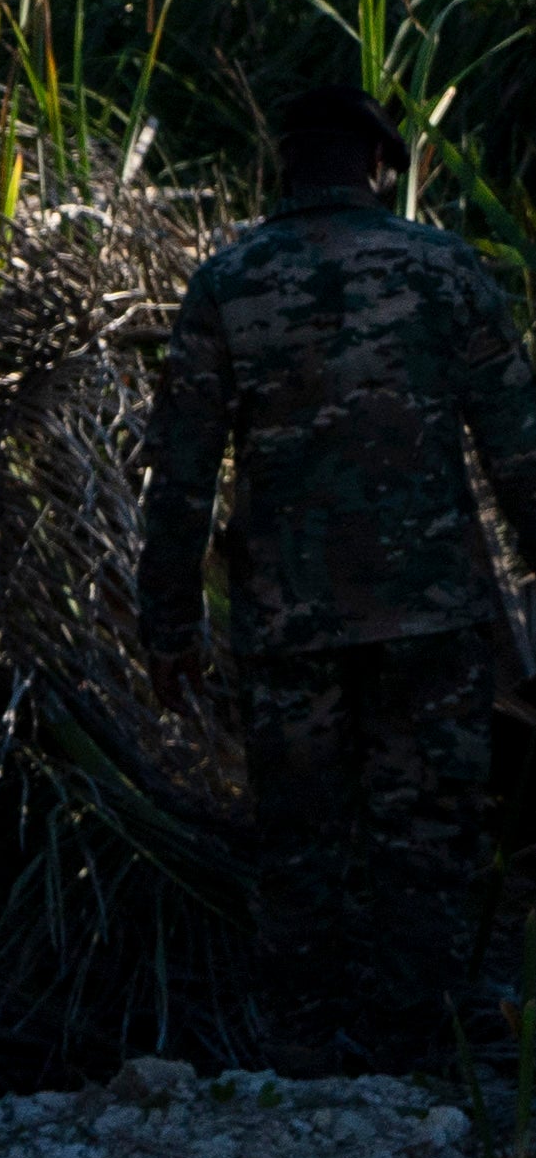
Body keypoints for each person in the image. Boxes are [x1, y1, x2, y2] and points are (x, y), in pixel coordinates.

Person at [133, 81, 536, 1074]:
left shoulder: (230, 282)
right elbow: (520, 453)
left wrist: (168, 627)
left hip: (286, 620)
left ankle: (306, 1058)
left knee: (300, 839)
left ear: (286, 166)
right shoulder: (445, 268)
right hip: (430, 616)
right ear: (379, 166)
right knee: (426, 834)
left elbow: (180, 473)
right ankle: (416, 1054)